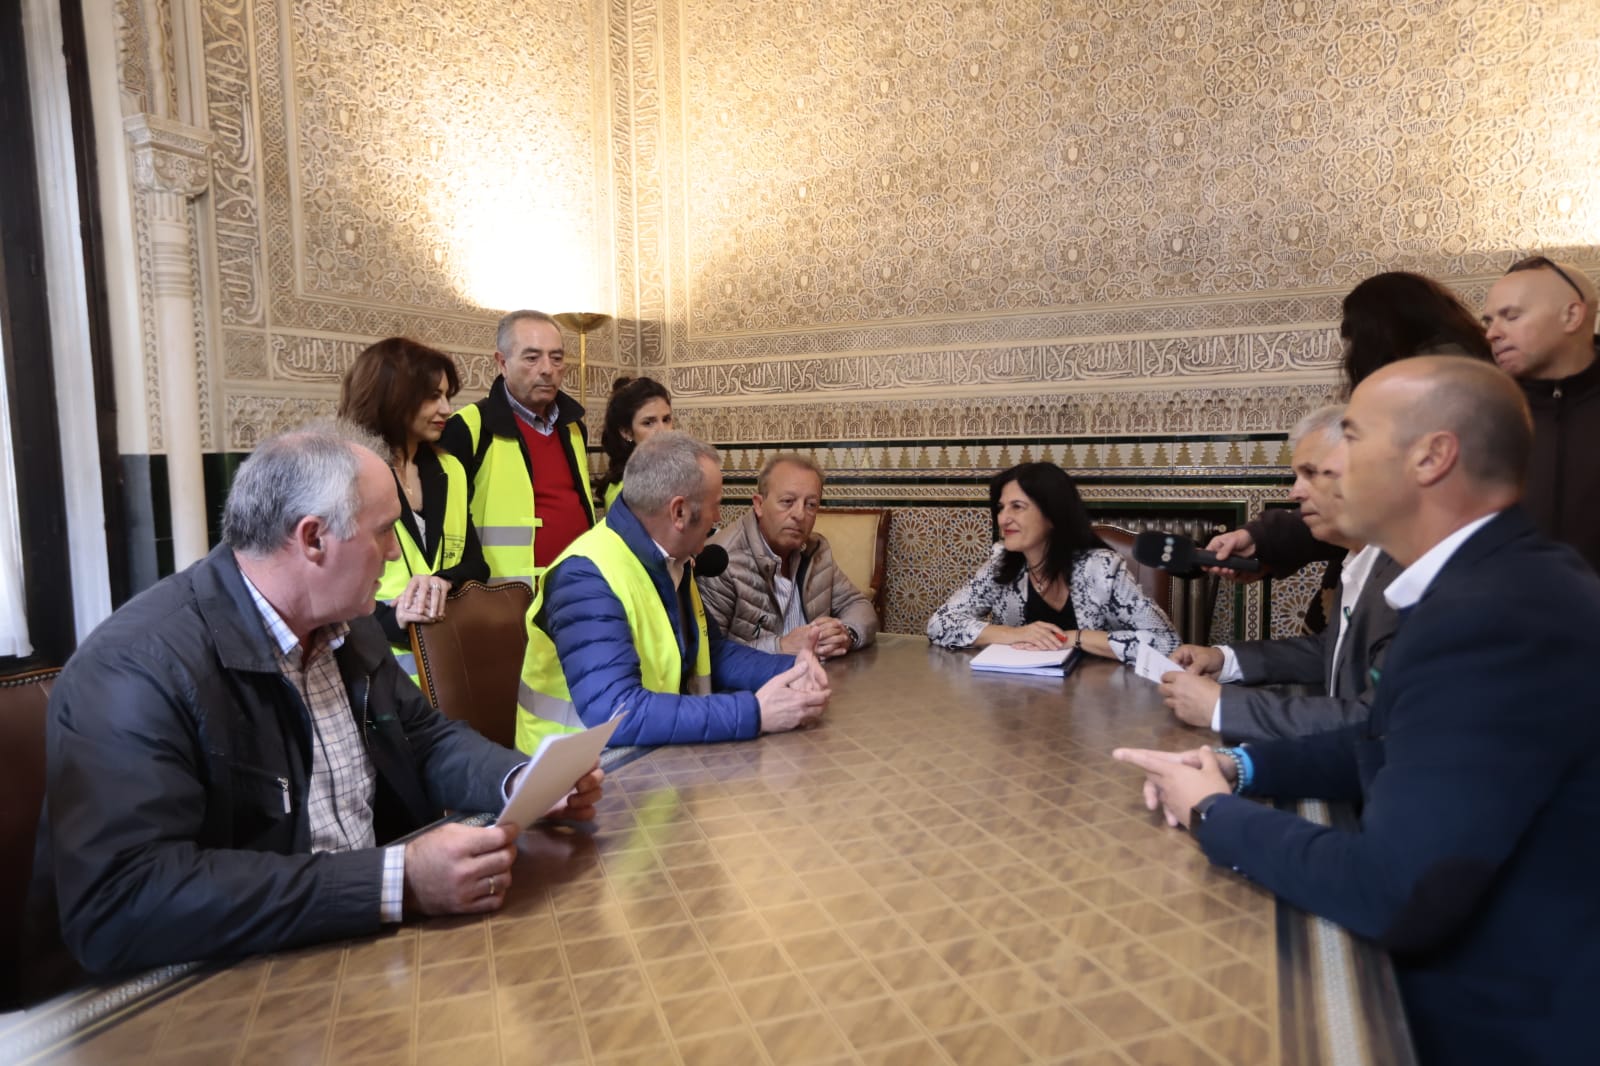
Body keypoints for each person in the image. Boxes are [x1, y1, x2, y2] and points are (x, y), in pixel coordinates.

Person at [1113, 356, 1600, 1064]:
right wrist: (1242, 765)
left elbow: (1393, 892)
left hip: (1501, 1016)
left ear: (1432, 458)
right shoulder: (1492, 581)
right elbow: (1384, 736)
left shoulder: (1495, 615)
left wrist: (1212, 813)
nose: (1331, 464)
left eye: (1353, 434)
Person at [39, 423, 604, 976]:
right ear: (312, 539)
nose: (392, 554)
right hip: (219, 987)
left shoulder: (344, 626)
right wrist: (397, 881)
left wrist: (522, 784)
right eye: (384, 531)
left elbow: (424, 740)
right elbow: (121, 901)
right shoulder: (137, 668)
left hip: (359, 948)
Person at [1204, 272, 1493, 625]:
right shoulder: (1469, 381)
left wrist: (1264, 538)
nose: (1299, 490)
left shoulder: (1421, 396)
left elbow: (1366, 507)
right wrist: (1261, 539)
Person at [516, 431, 830, 750]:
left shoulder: (672, 559)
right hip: (573, 779)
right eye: (715, 506)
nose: (719, 518)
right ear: (679, 513)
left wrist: (794, 668)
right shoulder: (585, 578)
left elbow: (711, 653)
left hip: (648, 761)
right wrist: (754, 713)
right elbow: (617, 711)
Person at [1159, 405, 1401, 741]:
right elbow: (1331, 652)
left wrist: (1221, 707)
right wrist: (1223, 658)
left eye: (1312, 473)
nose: (1295, 493)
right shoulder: (1360, 562)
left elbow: (1376, 721)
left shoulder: (1404, 582)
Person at [337, 337, 488, 681]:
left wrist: (442, 582)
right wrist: (393, 621)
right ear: (391, 396)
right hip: (369, 658)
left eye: (448, 396)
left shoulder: (451, 469)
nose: (447, 409)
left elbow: (476, 564)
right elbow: (324, 585)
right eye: (433, 396)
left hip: (446, 654)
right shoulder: (347, 474)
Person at [926, 462, 1178, 663]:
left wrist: (1073, 638)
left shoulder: (1101, 569)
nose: (1003, 519)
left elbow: (1167, 642)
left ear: (1052, 515)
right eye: (1001, 508)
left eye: (1017, 507)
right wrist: (1015, 634)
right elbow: (940, 623)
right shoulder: (1001, 564)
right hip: (1017, 701)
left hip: (1096, 703)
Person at [439, 310, 595, 587]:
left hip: (578, 590)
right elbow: (446, 526)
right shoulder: (469, 428)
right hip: (505, 598)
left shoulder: (573, 428)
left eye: (556, 358)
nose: (547, 369)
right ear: (502, 362)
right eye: (532, 358)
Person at [1480, 255, 1600, 572]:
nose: (1492, 333)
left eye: (1511, 316)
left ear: (1571, 315)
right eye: (1489, 321)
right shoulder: (1481, 411)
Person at [698, 453, 879, 658]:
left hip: (818, 679)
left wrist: (846, 633)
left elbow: (859, 605)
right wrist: (780, 647)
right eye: (787, 501)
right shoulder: (722, 560)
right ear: (758, 504)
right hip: (752, 687)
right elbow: (709, 655)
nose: (800, 514)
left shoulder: (816, 550)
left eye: (811, 504)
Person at [598, 375, 673, 509]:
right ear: (626, 432)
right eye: (648, 423)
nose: (663, 431)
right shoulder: (625, 491)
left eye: (666, 419)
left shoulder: (669, 473)